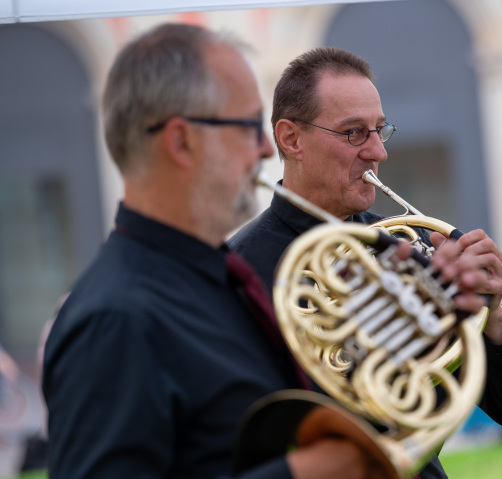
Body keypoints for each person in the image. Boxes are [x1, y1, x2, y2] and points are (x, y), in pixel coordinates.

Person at [42, 23, 391, 479]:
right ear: (182, 141)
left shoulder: (214, 277)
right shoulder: (115, 318)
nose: (267, 149)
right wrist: (304, 473)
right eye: (248, 126)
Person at [228, 46, 502, 478]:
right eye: (354, 133)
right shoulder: (238, 272)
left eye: (380, 130)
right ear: (291, 139)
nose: (378, 152)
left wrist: (491, 317)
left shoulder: (408, 242)